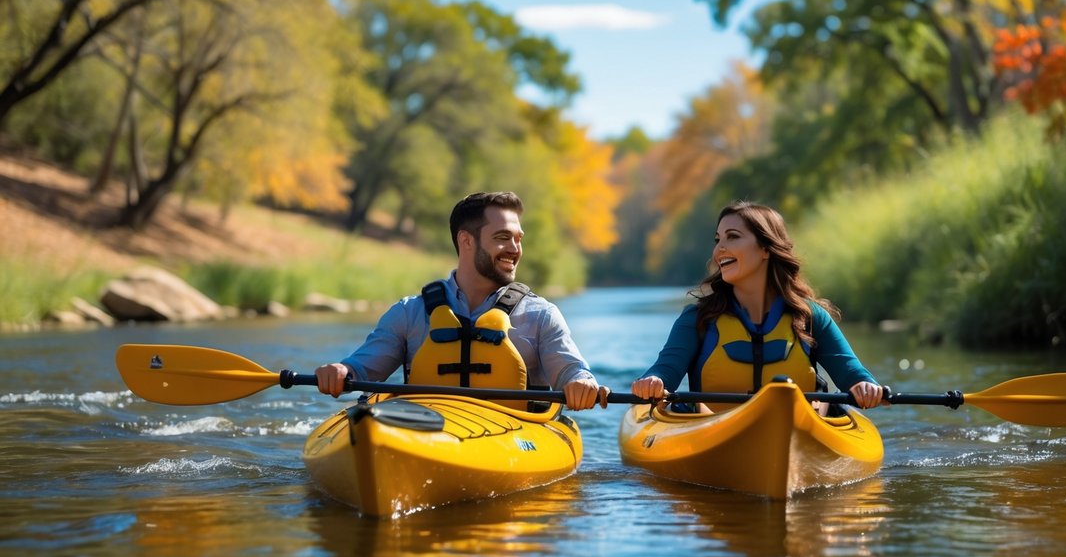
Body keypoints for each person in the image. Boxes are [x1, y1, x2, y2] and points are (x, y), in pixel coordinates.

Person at [315, 191, 606, 411]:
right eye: (503, 237)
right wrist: (343, 371)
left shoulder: (541, 315)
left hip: (516, 434)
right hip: (428, 432)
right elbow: (362, 369)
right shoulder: (409, 312)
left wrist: (581, 382)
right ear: (466, 241)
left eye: (519, 239)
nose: (515, 249)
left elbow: (571, 370)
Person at [630, 200, 885, 412]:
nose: (720, 248)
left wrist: (864, 385)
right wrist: (654, 381)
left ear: (765, 249)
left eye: (733, 237)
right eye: (718, 239)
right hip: (710, 429)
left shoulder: (809, 316)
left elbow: (849, 370)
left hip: (797, 428)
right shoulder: (699, 318)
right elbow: (667, 368)